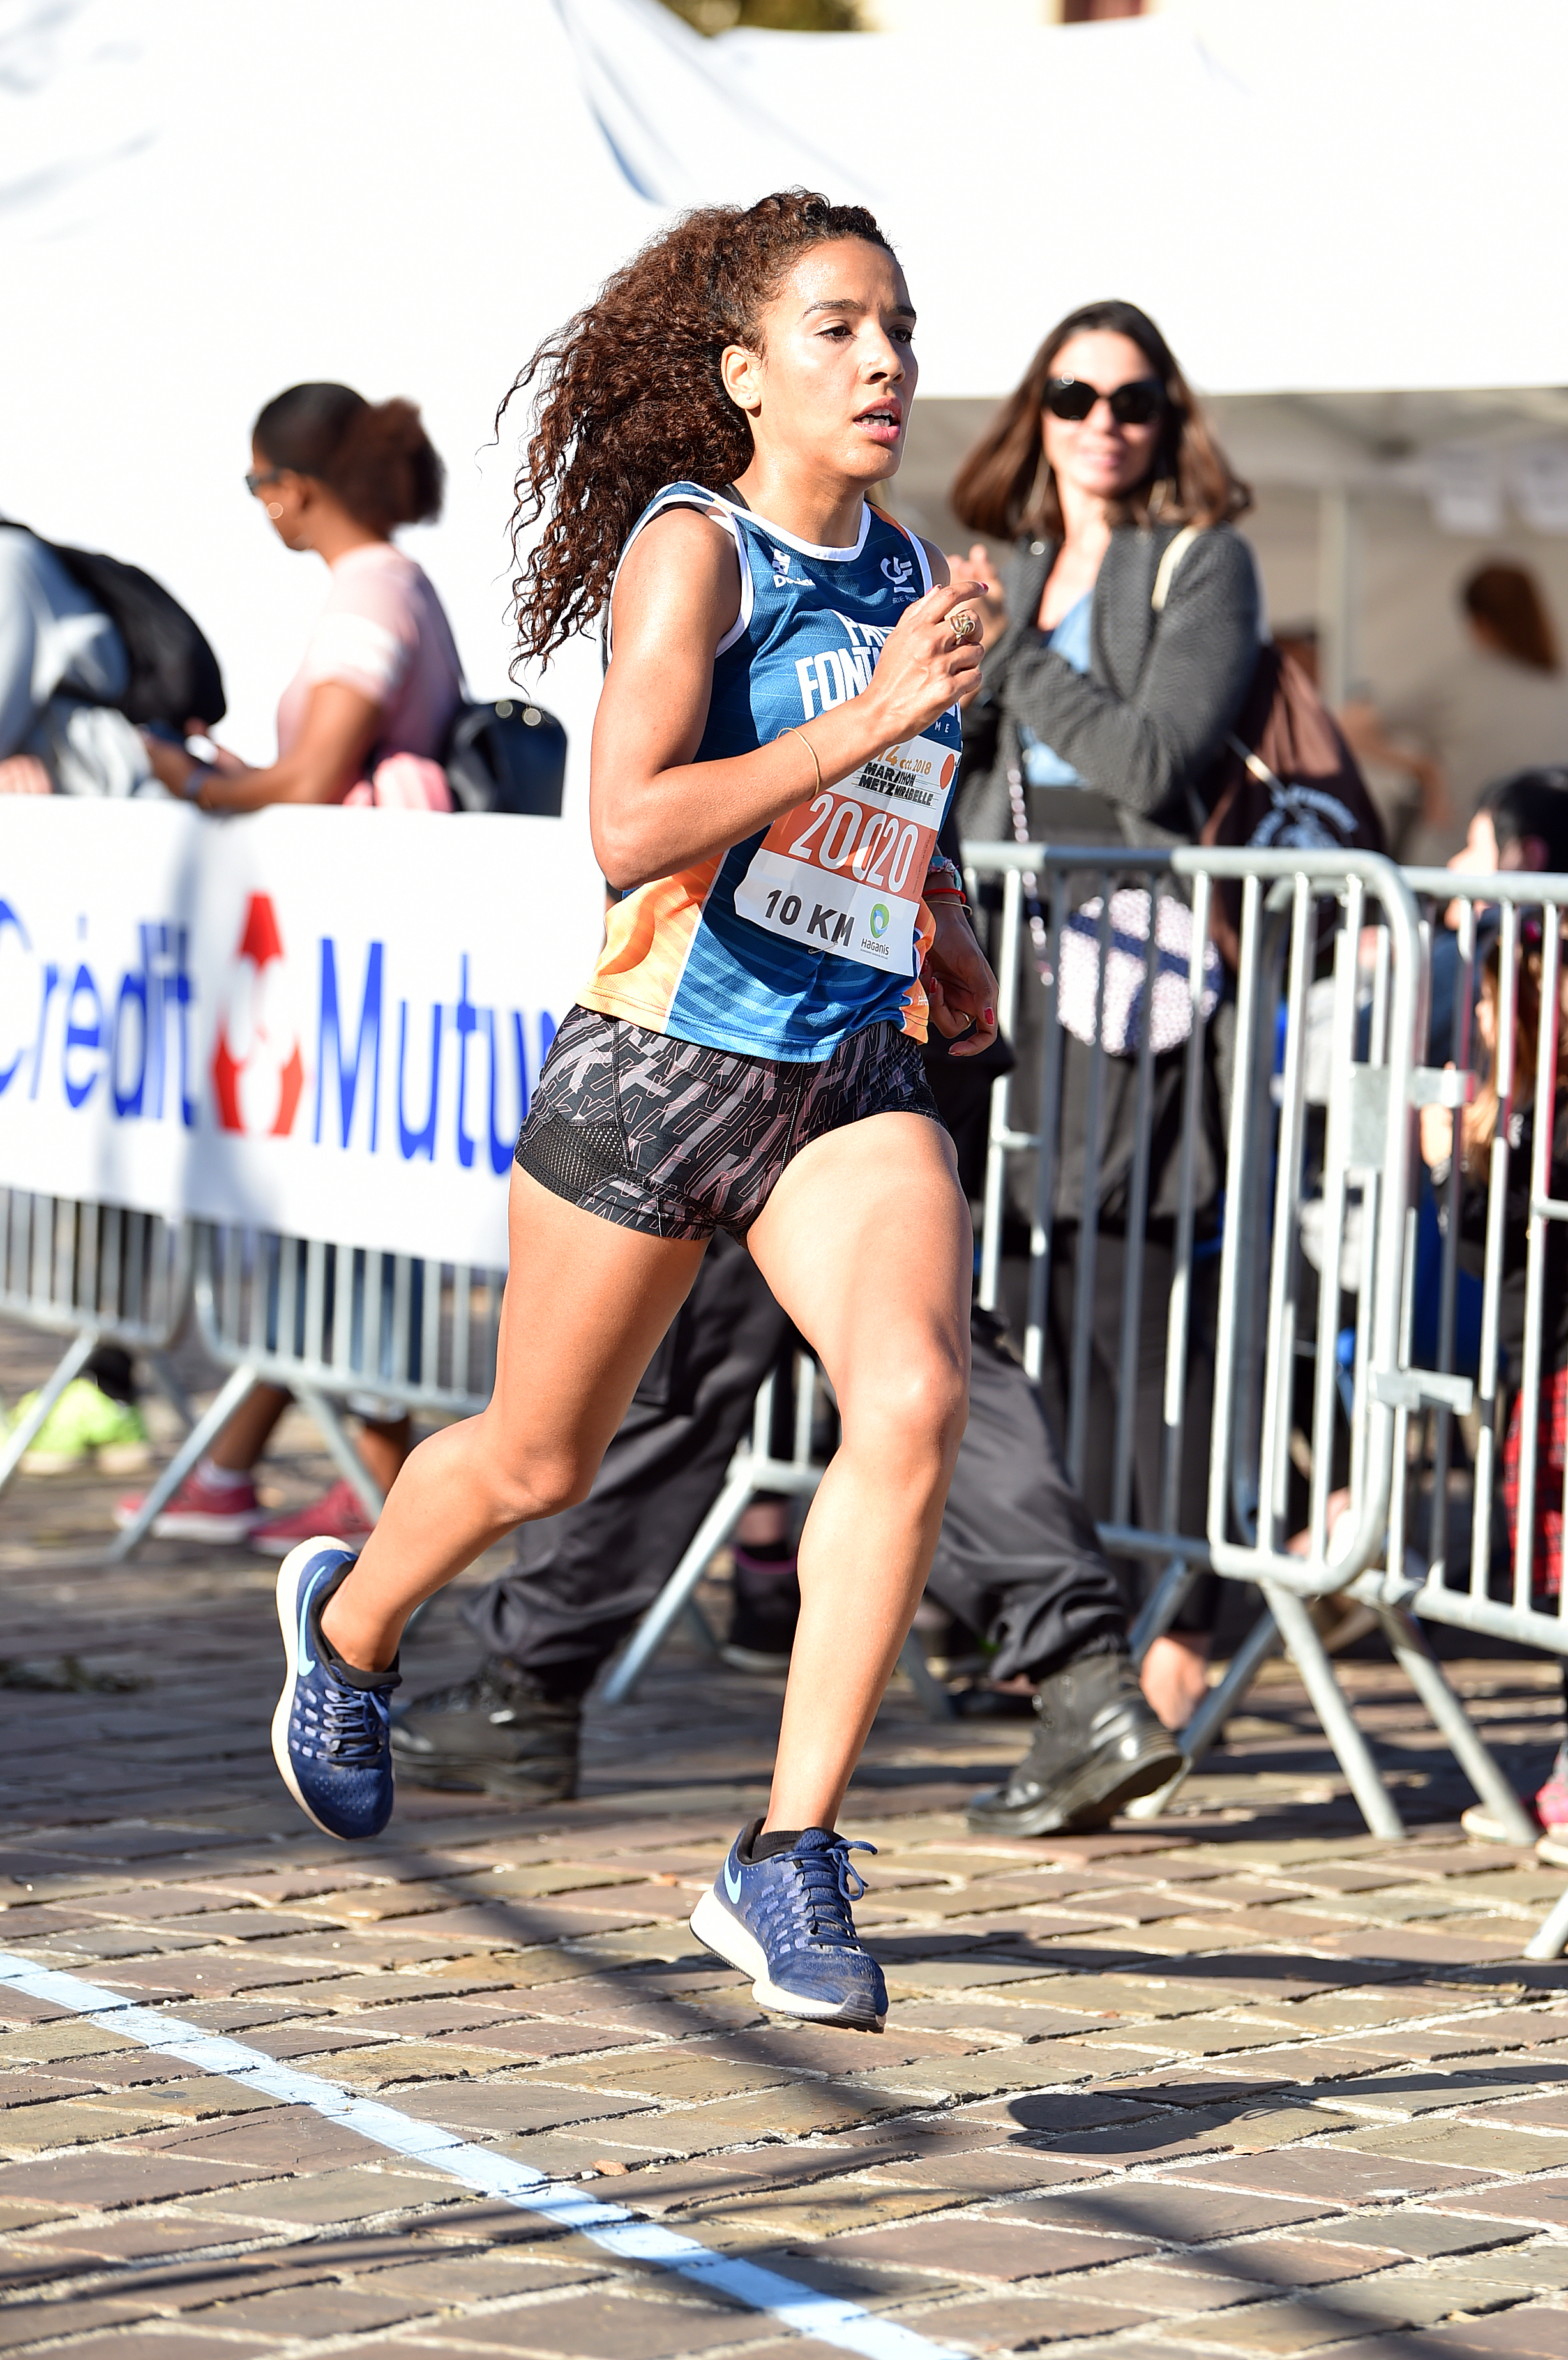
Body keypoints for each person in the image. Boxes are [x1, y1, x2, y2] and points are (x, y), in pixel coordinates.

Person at [268, 191, 1002, 2035]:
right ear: (748, 374)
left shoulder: (913, 574)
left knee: (913, 1395)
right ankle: (352, 1628)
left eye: (899, 326)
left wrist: (950, 922)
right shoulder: (699, 553)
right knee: (540, 1463)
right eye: (839, 329)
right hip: (663, 1068)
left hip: (844, 1069)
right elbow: (628, 828)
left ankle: (788, 1852)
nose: (886, 362)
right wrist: (868, 722)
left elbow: (895, 806)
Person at [389, 1053, 1181, 1840]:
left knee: (755, 1358)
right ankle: (1084, 1674)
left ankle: (536, 1684)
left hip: (764, 1036)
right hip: (865, 1023)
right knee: (905, 1361)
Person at [942, 297, 1260, 1733]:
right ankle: (1056, 1631)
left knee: (1122, 1318)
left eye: (1132, 400)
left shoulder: (1200, 565)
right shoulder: (1004, 566)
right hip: (1004, 973)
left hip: (1134, 986)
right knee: (1023, 1309)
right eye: (1075, 397)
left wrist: (1011, 652)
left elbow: (1150, 764)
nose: (1103, 425)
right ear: (1039, 411)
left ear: (1165, 417)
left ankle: (1170, 1616)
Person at [118, 382, 464, 1552]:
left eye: (255, 484)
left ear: (292, 488)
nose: (258, 506)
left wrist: (200, 785)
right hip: (369, 933)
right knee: (334, 1221)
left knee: (340, 1214)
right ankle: (294, 1472)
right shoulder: (387, 586)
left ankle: (346, 1478)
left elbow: (316, 773)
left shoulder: (369, 590)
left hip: (362, 943)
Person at [1421, 768, 1568, 1860]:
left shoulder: (1526, 988)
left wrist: (1456, 1152)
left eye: (1473, 846)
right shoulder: (1506, 985)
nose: (1454, 872)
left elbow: (1505, 1223)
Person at [1343, 561, 1568, 865]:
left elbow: (1349, 724)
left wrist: (1422, 769)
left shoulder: (1457, 681)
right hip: (1541, 870)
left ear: (1480, 621)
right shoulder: (1556, 685)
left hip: (1451, 860)